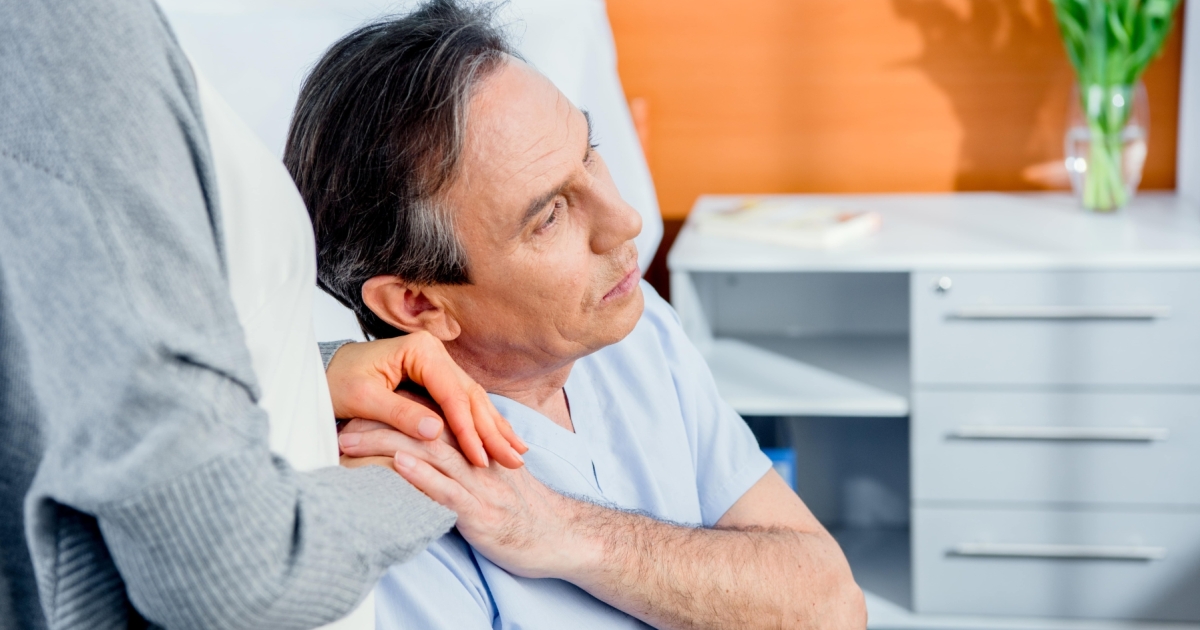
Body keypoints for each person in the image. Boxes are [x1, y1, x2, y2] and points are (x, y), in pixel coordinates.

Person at [285, 2, 867, 628]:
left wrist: (563, 530)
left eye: (589, 154)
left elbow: (833, 606)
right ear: (420, 303)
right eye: (550, 215)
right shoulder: (408, 488)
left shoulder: (635, 334)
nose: (626, 221)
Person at [0, 2, 523, 628]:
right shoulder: (64, 34)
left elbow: (59, 338)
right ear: (416, 302)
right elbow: (223, 569)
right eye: (546, 216)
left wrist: (305, 375)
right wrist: (425, 475)